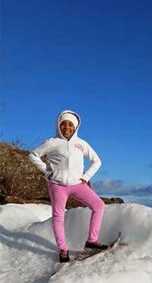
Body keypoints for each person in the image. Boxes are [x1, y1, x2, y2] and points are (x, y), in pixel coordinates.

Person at [28, 110, 108, 263]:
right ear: (59, 126)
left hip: (78, 184)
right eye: (63, 124)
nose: (66, 127)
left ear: (75, 126)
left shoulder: (81, 143)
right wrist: (47, 171)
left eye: (70, 124)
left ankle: (92, 241)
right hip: (57, 185)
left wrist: (86, 177)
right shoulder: (52, 142)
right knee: (59, 217)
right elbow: (33, 155)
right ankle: (63, 250)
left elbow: (97, 161)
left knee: (98, 205)